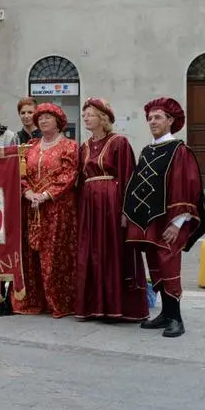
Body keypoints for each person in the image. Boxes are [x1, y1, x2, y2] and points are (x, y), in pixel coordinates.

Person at [124, 97, 205, 338]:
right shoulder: (148, 150)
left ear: (170, 121)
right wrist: (129, 214)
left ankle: (176, 318)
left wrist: (178, 222)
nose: (152, 121)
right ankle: (164, 314)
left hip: (169, 221)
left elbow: (185, 188)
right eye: (150, 118)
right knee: (155, 265)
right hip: (149, 221)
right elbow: (137, 184)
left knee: (169, 264)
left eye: (158, 117)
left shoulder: (179, 151)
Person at [76, 98, 147, 321]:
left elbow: (128, 177)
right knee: (92, 252)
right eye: (84, 114)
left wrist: (127, 211)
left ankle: (118, 307)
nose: (86, 117)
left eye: (91, 114)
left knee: (112, 251)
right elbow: (79, 181)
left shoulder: (119, 142)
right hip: (90, 205)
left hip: (111, 204)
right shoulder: (84, 147)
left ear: (103, 118)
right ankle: (94, 306)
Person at [16, 103, 78, 318]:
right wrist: (28, 193)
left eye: (47, 117)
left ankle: (59, 301)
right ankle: (35, 299)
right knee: (31, 255)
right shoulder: (31, 146)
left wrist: (45, 195)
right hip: (32, 208)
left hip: (57, 208)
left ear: (58, 121)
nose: (42, 121)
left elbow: (68, 175)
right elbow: (21, 175)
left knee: (55, 255)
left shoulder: (69, 146)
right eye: (40, 118)